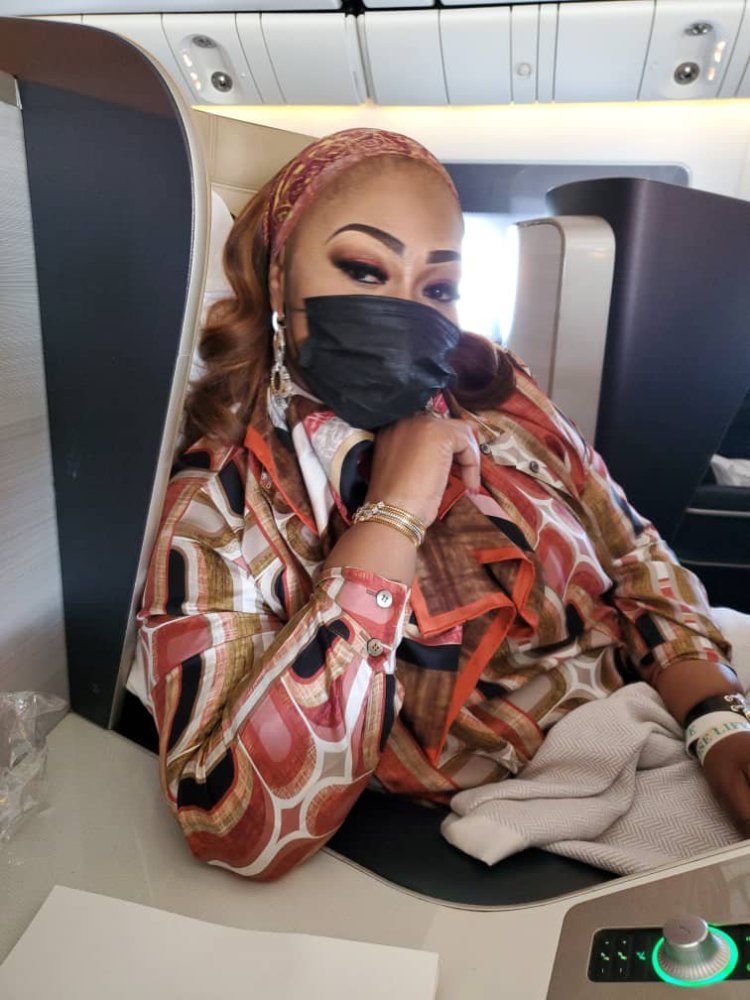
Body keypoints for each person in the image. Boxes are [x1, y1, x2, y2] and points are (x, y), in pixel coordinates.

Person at [137, 128, 750, 880]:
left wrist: (715, 716)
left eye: (437, 289)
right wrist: (393, 517)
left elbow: (631, 549)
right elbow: (232, 824)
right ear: (278, 274)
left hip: (673, 700)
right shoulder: (223, 499)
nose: (407, 313)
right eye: (365, 271)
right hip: (520, 809)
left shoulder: (496, 394)